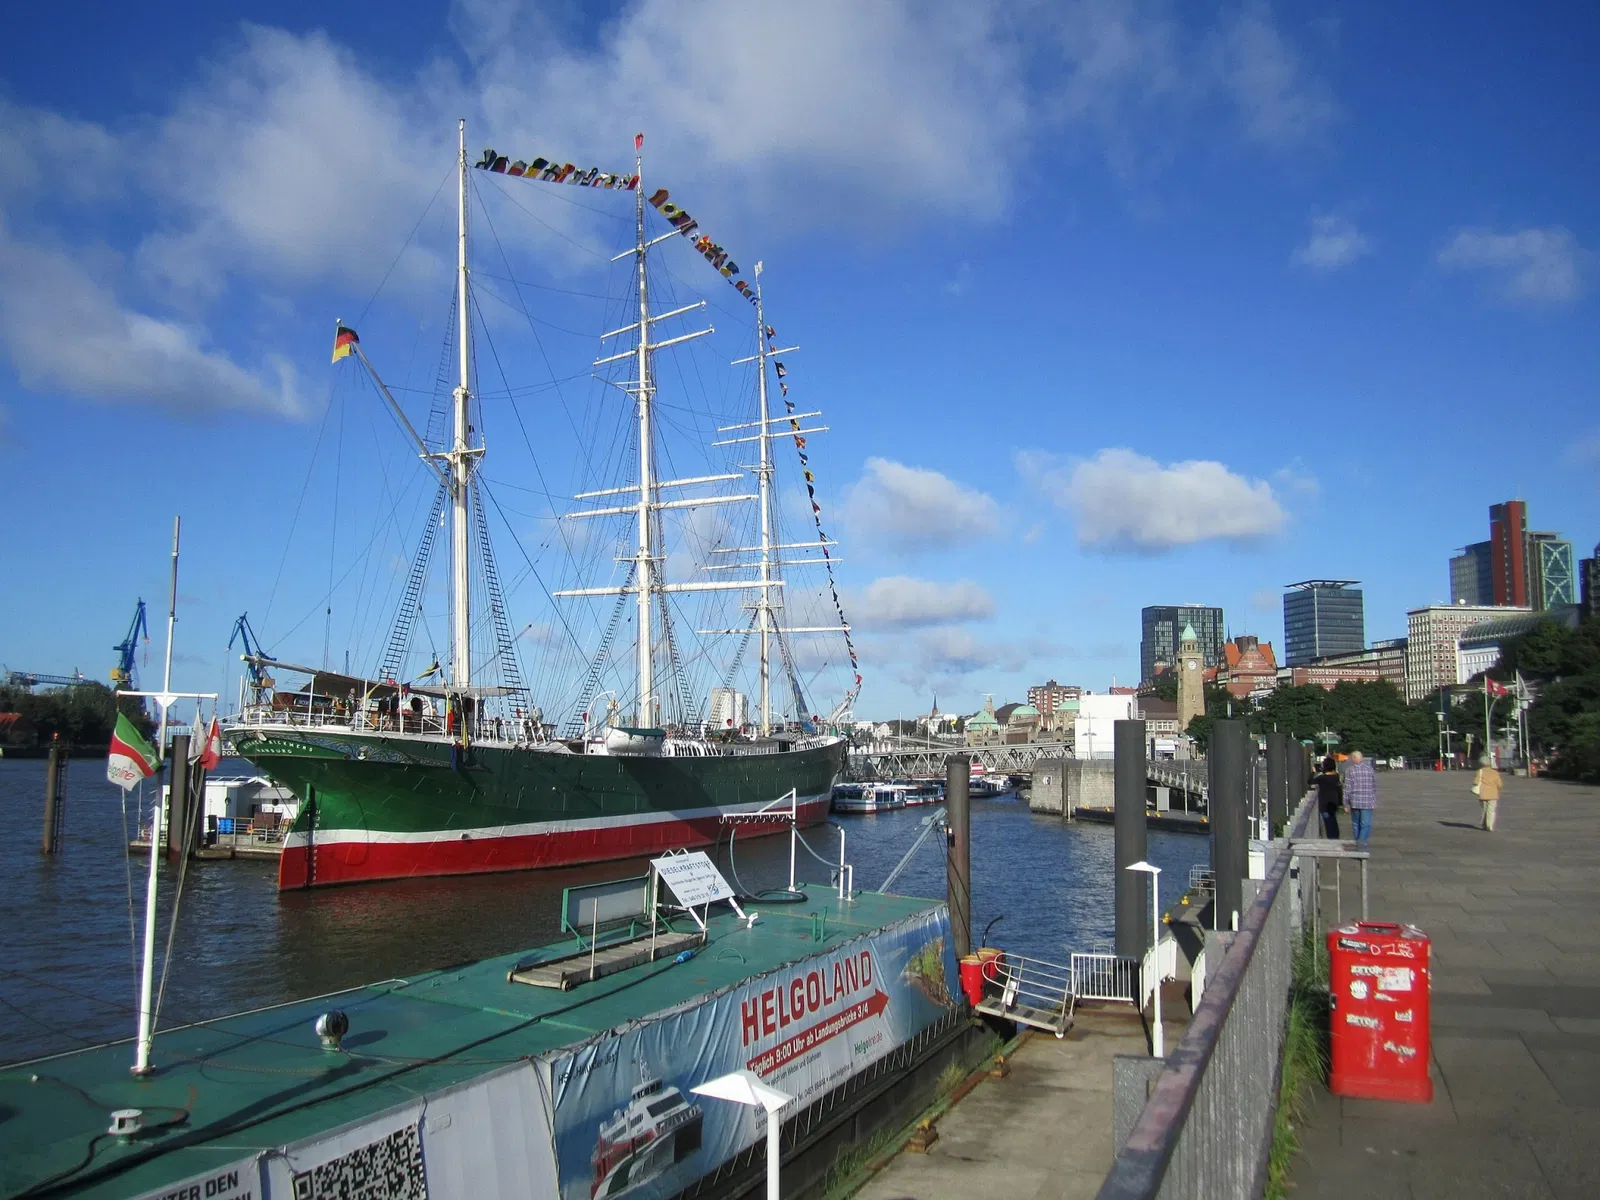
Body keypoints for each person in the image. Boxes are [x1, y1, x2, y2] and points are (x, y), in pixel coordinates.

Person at [1344, 750, 1378, 842]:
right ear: (1362, 758)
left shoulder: (1349, 770)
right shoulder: (1370, 769)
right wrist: (1373, 799)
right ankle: (1361, 845)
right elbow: (1374, 786)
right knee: (1365, 825)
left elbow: (1347, 788)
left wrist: (1345, 804)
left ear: (1353, 758)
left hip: (1355, 801)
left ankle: (1358, 843)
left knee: (1356, 824)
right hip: (1368, 801)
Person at [1315, 755, 1343, 838]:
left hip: (1324, 803)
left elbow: (1310, 781)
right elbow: (1339, 789)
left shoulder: (1322, 778)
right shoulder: (1336, 776)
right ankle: (1336, 837)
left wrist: (1314, 772)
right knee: (1333, 821)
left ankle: (1331, 839)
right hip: (1334, 802)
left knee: (1328, 823)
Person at [1474, 755, 1503, 831]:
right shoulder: (1495, 773)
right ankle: (1489, 825)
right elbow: (1500, 784)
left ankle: (1484, 824)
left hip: (1483, 794)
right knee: (1491, 810)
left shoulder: (1479, 772)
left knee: (1484, 810)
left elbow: (1476, 782)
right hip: (1493, 794)